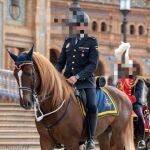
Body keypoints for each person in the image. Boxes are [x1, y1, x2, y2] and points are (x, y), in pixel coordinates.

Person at [55, 9, 99, 149]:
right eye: (75, 24)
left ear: (85, 26)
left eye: (79, 24)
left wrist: (78, 77)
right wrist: (55, 75)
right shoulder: (68, 41)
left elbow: (93, 65)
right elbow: (60, 62)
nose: (76, 27)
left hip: (85, 82)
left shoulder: (92, 42)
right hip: (67, 82)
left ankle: (90, 138)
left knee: (91, 106)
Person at [117, 75, 146, 149]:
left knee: (140, 116)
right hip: (123, 103)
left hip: (135, 104)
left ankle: (141, 139)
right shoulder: (121, 79)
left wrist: (127, 99)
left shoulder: (139, 80)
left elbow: (138, 95)